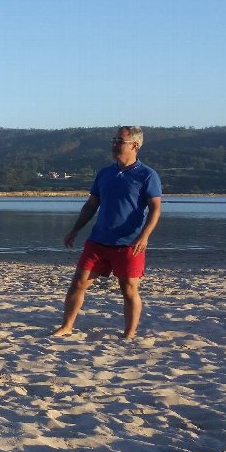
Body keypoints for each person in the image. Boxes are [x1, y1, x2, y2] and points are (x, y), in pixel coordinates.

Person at [51, 126, 162, 339]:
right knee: (78, 283)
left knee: (128, 289)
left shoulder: (147, 175)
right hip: (98, 240)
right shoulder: (105, 173)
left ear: (135, 145)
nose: (114, 144)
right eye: (114, 140)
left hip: (129, 243)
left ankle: (129, 334)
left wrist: (144, 236)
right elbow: (91, 205)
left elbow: (155, 209)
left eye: (120, 141)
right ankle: (66, 326)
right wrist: (75, 230)